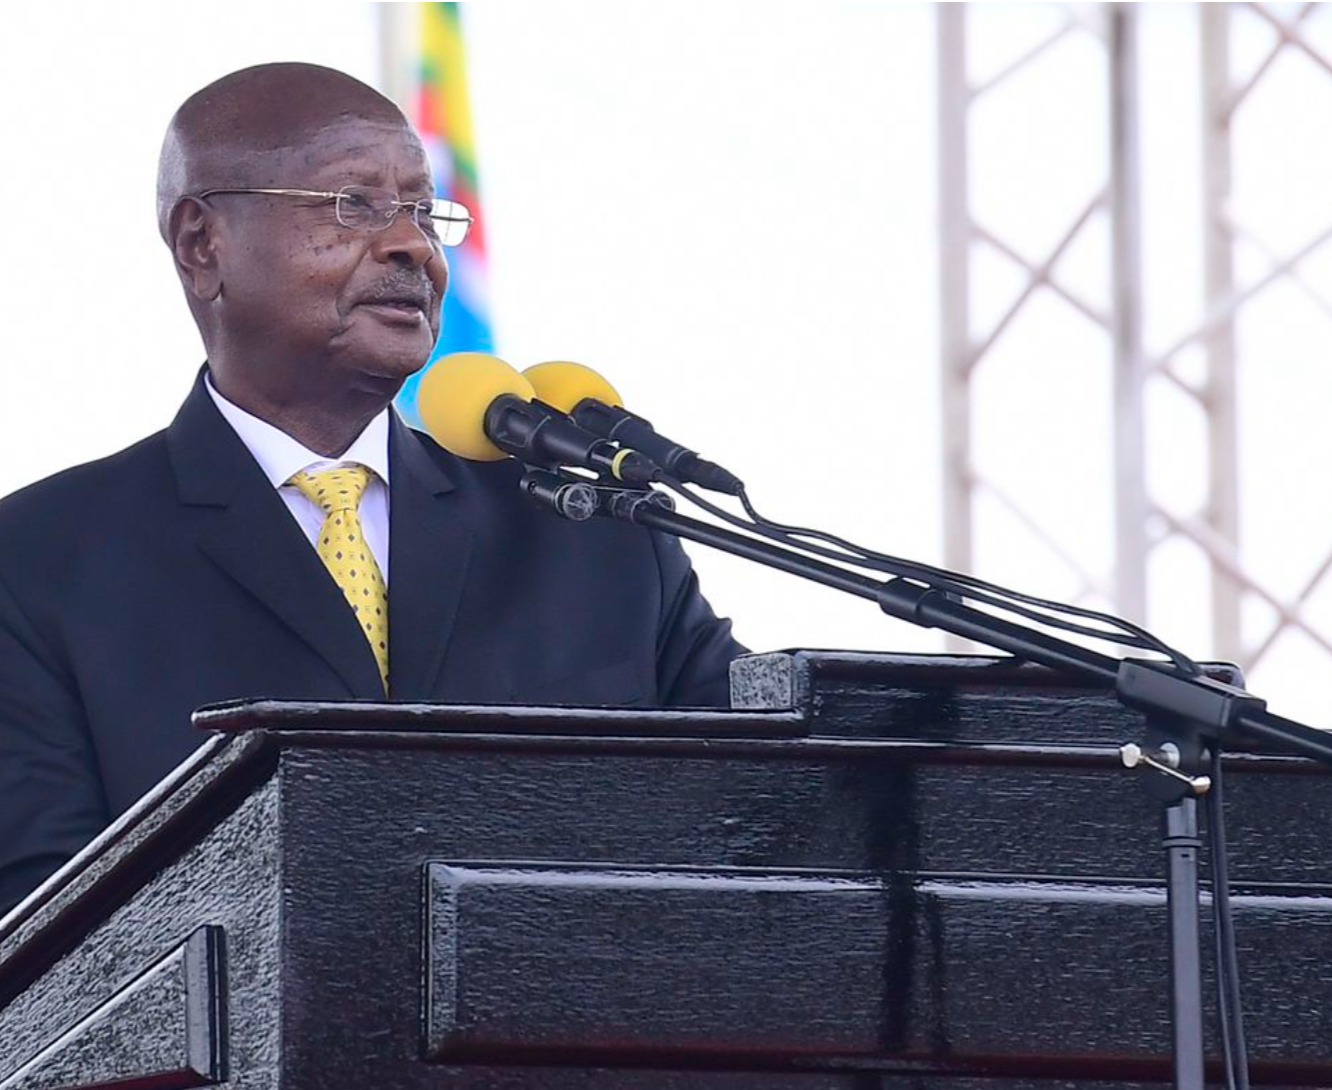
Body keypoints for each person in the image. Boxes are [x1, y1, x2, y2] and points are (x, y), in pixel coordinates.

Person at [0, 63, 744, 916]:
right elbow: (39, 932)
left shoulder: (593, 534)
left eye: (423, 211)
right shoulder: (37, 564)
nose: (413, 246)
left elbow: (774, 813)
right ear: (202, 244)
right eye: (353, 204)